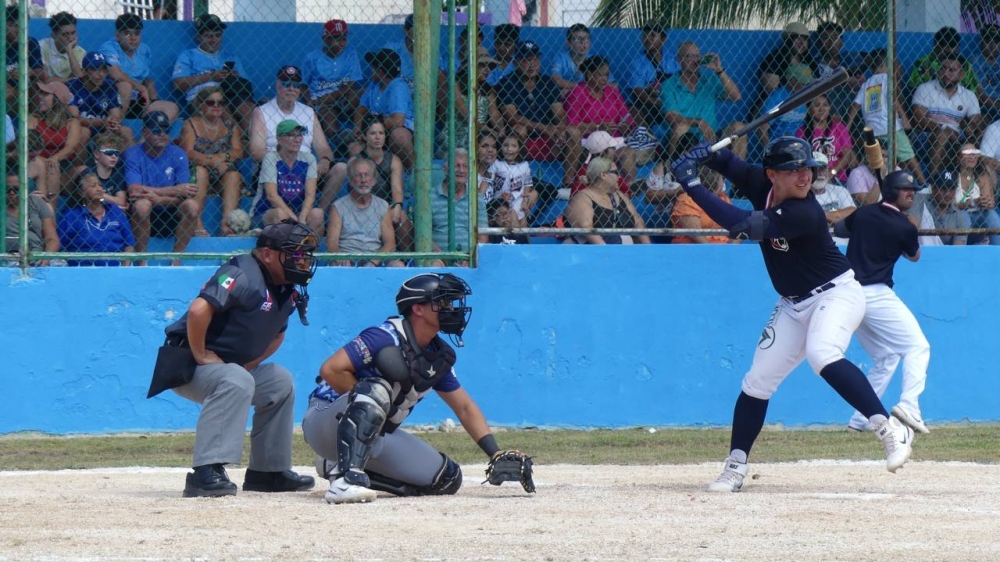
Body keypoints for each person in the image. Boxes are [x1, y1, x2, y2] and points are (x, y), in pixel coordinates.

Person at [669, 136, 916, 492]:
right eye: (794, 170)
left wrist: (691, 183)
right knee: (757, 382)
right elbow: (727, 164)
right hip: (792, 303)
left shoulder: (805, 211)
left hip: (837, 294)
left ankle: (889, 428)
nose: (805, 177)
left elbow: (740, 225)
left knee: (823, 355)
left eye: (808, 170)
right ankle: (735, 467)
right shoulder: (758, 181)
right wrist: (706, 151)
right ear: (772, 174)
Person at [303, 272, 532, 503]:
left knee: (446, 479)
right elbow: (330, 370)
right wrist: (367, 401)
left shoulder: (438, 356)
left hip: (375, 436)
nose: (450, 309)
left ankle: (335, 466)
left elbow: (464, 407)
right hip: (325, 421)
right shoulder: (383, 337)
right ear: (418, 309)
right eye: (441, 302)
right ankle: (346, 481)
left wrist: (495, 452)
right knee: (375, 389)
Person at [158, 219, 318, 497]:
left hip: (229, 369)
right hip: (186, 365)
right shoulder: (241, 272)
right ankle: (204, 473)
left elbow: (278, 335)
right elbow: (198, 310)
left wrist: (249, 364)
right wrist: (200, 354)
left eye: (304, 255)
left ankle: (268, 472)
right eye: (295, 254)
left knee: (280, 381)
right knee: (236, 378)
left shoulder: (286, 287)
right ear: (267, 254)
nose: (302, 261)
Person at [833, 171, 931, 435]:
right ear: (891, 192)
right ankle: (910, 405)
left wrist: (867, 213)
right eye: (905, 189)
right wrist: (908, 227)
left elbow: (840, 228)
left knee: (887, 356)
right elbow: (915, 256)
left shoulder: (864, 213)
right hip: (875, 293)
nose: (911, 193)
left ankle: (860, 418)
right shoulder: (905, 226)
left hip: (850, 294)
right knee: (917, 347)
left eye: (912, 189)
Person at [497, 41, 582, 189]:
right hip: (524, 138)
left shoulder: (548, 82)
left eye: (535, 59)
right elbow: (513, 117)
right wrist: (546, 128)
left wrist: (560, 129)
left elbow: (560, 113)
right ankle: (515, 180)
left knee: (573, 132)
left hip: (550, 140)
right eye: (525, 60)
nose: (531, 64)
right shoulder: (506, 83)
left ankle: (568, 184)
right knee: (519, 129)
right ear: (516, 63)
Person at [322, 115, 410, 247]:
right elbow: (354, 191)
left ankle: (406, 260)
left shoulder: (393, 160)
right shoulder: (355, 161)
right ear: (364, 136)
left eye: (381, 133)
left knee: (402, 217)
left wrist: (397, 206)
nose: (377, 137)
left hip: (384, 208)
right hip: (360, 206)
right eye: (373, 133)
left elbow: (397, 189)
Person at [123, 111, 199, 259]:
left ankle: (176, 257)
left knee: (192, 206)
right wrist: (174, 190)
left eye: (166, 130)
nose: (162, 134)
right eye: (156, 130)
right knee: (142, 205)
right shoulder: (133, 153)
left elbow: (186, 193)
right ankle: (141, 259)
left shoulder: (178, 153)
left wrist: (159, 198)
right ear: (145, 132)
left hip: (172, 210)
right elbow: (134, 191)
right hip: (143, 214)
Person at [846, 49, 926, 184]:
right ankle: (923, 183)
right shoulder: (888, 79)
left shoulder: (866, 83)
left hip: (872, 130)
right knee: (908, 156)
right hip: (890, 127)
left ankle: (879, 183)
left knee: (878, 159)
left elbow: (855, 106)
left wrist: (847, 126)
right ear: (887, 64)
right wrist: (904, 118)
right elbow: (893, 100)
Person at [248, 65, 336, 184]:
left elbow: (323, 148)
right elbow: (257, 151)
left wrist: (325, 160)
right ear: (277, 85)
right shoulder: (261, 112)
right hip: (274, 169)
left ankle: (321, 203)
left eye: (296, 85)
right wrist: (289, 163)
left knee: (340, 169)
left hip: (306, 171)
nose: (291, 88)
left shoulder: (309, 112)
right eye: (286, 84)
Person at [660, 40, 744, 160]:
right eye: (689, 56)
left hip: (711, 138)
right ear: (679, 59)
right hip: (685, 139)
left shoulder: (709, 80)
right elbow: (670, 116)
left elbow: (736, 96)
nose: (694, 60)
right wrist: (697, 122)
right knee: (681, 128)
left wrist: (719, 70)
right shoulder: (668, 85)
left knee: (739, 128)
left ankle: (737, 175)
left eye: (697, 56)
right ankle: (673, 173)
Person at [172, 14, 255, 134]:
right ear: (199, 37)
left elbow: (245, 84)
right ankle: (241, 138)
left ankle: (253, 138)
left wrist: (234, 76)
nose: (214, 40)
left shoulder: (230, 57)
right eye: (209, 36)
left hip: (230, 93)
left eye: (218, 35)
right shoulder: (188, 55)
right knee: (219, 103)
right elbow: (178, 84)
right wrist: (210, 77)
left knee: (246, 105)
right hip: (202, 98)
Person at [178, 86, 244, 236]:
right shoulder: (191, 124)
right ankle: (197, 223)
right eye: (210, 102)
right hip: (198, 168)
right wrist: (211, 161)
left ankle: (227, 223)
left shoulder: (230, 125)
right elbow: (187, 151)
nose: (216, 106)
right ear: (200, 104)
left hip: (223, 170)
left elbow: (238, 151)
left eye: (220, 103)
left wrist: (222, 158)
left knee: (234, 175)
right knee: (200, 172)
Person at [566, 55, 638, 185]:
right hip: (588, 144)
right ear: (589, 74)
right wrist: (598, 126)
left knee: (629, 152)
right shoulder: (578, 92)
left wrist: (625, 126)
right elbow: (573, 125)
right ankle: (604, 185)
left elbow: (628, 119)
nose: (605, 79)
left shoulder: (612, 92)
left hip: (613, 141)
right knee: (608, 152)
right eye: (600, 75)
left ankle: (629, 186)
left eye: (607, 75)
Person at [97, 13, 179, 123]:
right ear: (117, 35)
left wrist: (153, 101)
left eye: (137, 33)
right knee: (125, 86)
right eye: (127, 33)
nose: (133, 38)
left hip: (139, 99)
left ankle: (147, 136)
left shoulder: (144, 50)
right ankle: (116, 125)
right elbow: (115, 74)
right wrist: (140, 87)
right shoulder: (109, 48)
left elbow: (148, 79)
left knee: (172, 107)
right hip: (113, 99)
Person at [911, 54, 982, 176]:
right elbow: (918, 120)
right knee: (945, 133)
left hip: (955, 139)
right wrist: (944, 129)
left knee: (971, 138)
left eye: (951, 70)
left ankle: (968, 181)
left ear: (961, 75)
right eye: (943, 68)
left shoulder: (969, 95)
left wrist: (969, 126)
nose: (945, 73)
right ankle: (934, 181)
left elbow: (976, 122)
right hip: (925, 136)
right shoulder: (925, 88)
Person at [326, 157, 404, 267]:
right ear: (351, 181)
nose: (363, 180)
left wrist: (373, 262)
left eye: (367, 175)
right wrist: (341, 257)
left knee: (398, 265)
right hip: (348, 256)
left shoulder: (383, 206)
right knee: (335, 265)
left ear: (374, 180)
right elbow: (331, 244)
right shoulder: (338, 206)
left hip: (375, 256)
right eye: (358, 175)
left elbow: (390, 243)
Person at [252, 120, 322, 233]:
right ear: (279, 139)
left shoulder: (309, 159)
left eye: (299, 135)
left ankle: (309, 249)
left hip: (298, 213)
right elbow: (272, 196)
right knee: (281, 214)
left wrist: (303, 218)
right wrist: (294, 219)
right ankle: (285, 249)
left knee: (317, 214)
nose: (297, 139)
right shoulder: (271, 158)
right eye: (290, 135)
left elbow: (310, 195)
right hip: (267, 213)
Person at [300, 19, 363, 144]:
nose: (341, 43)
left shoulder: (350, 54)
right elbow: (303, 86)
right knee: (328, 114)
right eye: (336, 38)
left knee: (360, 93)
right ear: (326, 39)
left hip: (344, 98)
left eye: (344, 38)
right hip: (322, 101)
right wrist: (309, 101)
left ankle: (362, 131)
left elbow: (352, 84)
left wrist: (333, 96)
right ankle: (340, 140)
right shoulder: (312, 58)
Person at [564, 156, 650, 245]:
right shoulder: (583, 197)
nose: (619, 176)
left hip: (620, 250)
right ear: (603, 175)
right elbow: (586, 228)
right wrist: (606, 251)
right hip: (593, 252)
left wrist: (648, 248)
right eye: (616, 172)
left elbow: (637, 220)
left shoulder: (619, 195)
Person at [57, 170, 134, 266]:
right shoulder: (71, 216)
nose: (99, 189)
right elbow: (58, 246)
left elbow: (129, 244)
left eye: (100, 185)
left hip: (116, 270)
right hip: (81, 271)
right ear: (81, 193)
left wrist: (124, 270)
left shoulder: (115, 211)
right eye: (93, 186)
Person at [354, 49, 415, 170]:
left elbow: (398, 121)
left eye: (374, 67)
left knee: (399, 135)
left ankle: (413, 173)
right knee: (354, 148)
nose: (372, 69)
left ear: (380, 71)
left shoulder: (398, 87)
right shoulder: (375, 84)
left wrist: (370, 127)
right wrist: (358, 127)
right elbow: (361, 108)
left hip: (398, 133)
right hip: (376, 132)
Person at [26, 80, 82, 204]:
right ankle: (47, 213)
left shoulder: (72, 123)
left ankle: (50, 216)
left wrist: (55, 158)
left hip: (63, 168)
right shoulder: (34, 119)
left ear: (57, 99)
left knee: (56, 167)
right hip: (36, 164)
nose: (40, 96)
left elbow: (71, 147)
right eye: (40, 93)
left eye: (45, 94)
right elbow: (29, 144)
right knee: (51, 169)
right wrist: (44, 161)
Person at [431, 149, 488, 261]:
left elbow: (483, 237)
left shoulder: (477, 199)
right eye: (456, 166)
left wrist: (470, 260)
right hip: (437, 261)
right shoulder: (429, 197)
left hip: (470, 260)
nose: (461, 170)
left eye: (465, 166)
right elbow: (424, 237)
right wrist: (443, 258)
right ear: (445, 170)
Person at [66, 52, 134, 147]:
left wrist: (112, 123)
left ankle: (130, 162)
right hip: (82, 127)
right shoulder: (72, 86)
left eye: (104, 69)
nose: (101, 74)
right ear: (84, 71)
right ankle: (81, 162)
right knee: (84, 132)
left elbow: (116, 115)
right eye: (95, 69)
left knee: (126, 131)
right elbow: (74, 118)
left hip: (103, 128)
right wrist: (101, 122)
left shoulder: (109, 85)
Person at [625, 22, 679, 131]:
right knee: (633, 110)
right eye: (645, 35)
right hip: (649, 105)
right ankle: (649, 139)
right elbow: (638, 91)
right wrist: (659, 104)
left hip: (673, 102)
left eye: (653, 35)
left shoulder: (674, 59)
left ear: (663, 39)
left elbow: (681, 82)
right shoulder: (637, 62)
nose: (648, 39)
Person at [796, 94, 856, 183]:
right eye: (817, 105)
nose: (822, 109)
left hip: (837, 178)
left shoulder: (839, 127)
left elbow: (847, 155)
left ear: (829, 108)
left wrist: (832, 173)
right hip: (813, 180)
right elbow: (801, 160)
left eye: (825, 105)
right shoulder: (801, 132)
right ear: (809, 110)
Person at [4, 171, 59, 262]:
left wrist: (45, 258)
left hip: (37, 254)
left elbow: (52, 239)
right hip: (8, 256)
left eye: (16, 189)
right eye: (7, 189)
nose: (12, 193)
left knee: (60, 264)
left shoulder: (36, 202)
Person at [907, 26, 979, 94]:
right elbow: (913, 88)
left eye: (953, 54)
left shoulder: (964, 64)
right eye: (945, 54)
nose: (948, 58)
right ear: (936, 47)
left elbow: (974, 90)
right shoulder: (924, 62)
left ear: (957, 49)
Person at [952, 143, 1000, 245]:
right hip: (957, 219)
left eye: (974, 154)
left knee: (992, 215)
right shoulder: (952, 177)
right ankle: (960, 251)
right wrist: (971, 202)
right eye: (968, 154)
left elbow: (990, 203)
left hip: (978, 218)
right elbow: (951, 205)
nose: (972, 157)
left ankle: (998, 251)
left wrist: (987, 203)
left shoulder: (982, 177)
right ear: (958, 158)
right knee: (964, 216)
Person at [487, 132, 538, 226]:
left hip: (517, 201)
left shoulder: (524, 165)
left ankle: (521, 240)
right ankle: (513, 239)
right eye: (505, 145)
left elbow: (527, 184)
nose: (509, 149)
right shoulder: (497, 164)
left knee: (523, 223)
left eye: (514, 146)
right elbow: (488, 181)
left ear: (520, 148)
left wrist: (525, 201)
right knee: (511, 217)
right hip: (499, 200)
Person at [758, 63, 813, 147]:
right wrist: (769, 149)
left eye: (807, 84)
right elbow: (762, 128)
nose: (805, 86)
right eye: (802, 83)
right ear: (791, 80)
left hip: (800, 143)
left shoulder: (804, 96)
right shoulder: (776, 98)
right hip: (779, 144)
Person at [549, 23, 613, 94]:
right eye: (577, 39)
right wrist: (582, 88)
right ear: (568, 43)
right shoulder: (561, 58)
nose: (582, 43)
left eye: (586, 39)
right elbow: (555, 80)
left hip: (591, 97)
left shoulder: (595, 60)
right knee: (564, 92)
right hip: (571, 96)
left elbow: (614, 86)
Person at [910, 171, 970, 245]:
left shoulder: (958, 215)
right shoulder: (920, 200)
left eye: (951, 189)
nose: (947, 194)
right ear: (933, 188)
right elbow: (912, 230)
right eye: (943, 188)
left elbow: (958, 249)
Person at [809, 151, 855, 234]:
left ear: (827, 170)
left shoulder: (839, 190)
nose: (820, 173)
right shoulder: (802, 195)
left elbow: (853, 213)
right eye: (815, 169)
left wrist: (821, 214)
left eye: (822, 169)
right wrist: (838, 216)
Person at [38, 12, 85, 83]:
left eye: (73, 33)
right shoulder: (42, 47)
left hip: (71, 90)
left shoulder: (80, 52)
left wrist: (69, 51)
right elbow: (45, 79)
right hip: (47, 89)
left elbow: (80, 78)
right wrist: (70, 80)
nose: (71, 38)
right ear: (54, 35)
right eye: (65, 34)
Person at [86, 132, 128, 211]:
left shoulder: (118, 173)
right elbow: (89, 199)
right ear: (97, 154)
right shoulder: (89, 173)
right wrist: (112, 200)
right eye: (109, 152)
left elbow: (121, 202)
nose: (114, 156)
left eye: (116, 153)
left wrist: (100, 195)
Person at [5, 5, 45, 83]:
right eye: (15, 25)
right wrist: (7, 75)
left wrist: (30, 72)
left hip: (25, 85)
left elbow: (41, 73)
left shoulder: (30, 43)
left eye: (23, 26)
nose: (20, 30)